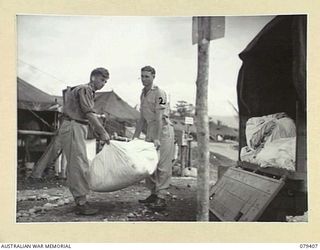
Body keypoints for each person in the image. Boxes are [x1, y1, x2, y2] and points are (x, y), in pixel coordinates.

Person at [59, 67, 110, 215]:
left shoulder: (85, 90)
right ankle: (81, 202)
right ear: (93, 77)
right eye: (102, 80)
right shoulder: (85, 89)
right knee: (78, 163)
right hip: (74, 126)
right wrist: (102, 132)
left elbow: (85, 113)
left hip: (76, 126)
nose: (103, 84)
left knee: (79, 162)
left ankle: (80, 198)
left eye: (105, 82)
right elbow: (88, 113)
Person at [133, 66, 175, 211]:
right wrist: (135, 137)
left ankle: (162, 197)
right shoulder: (143, 93)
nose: (144, 79)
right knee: (150, 164)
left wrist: (157, 138)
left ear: (153, 76)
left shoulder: (159, 92)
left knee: (163, 165)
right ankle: (153, 194)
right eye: (142, 76)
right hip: (150, 130)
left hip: (163, 130)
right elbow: (141, 118)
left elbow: (158, 117)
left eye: (147, 76)